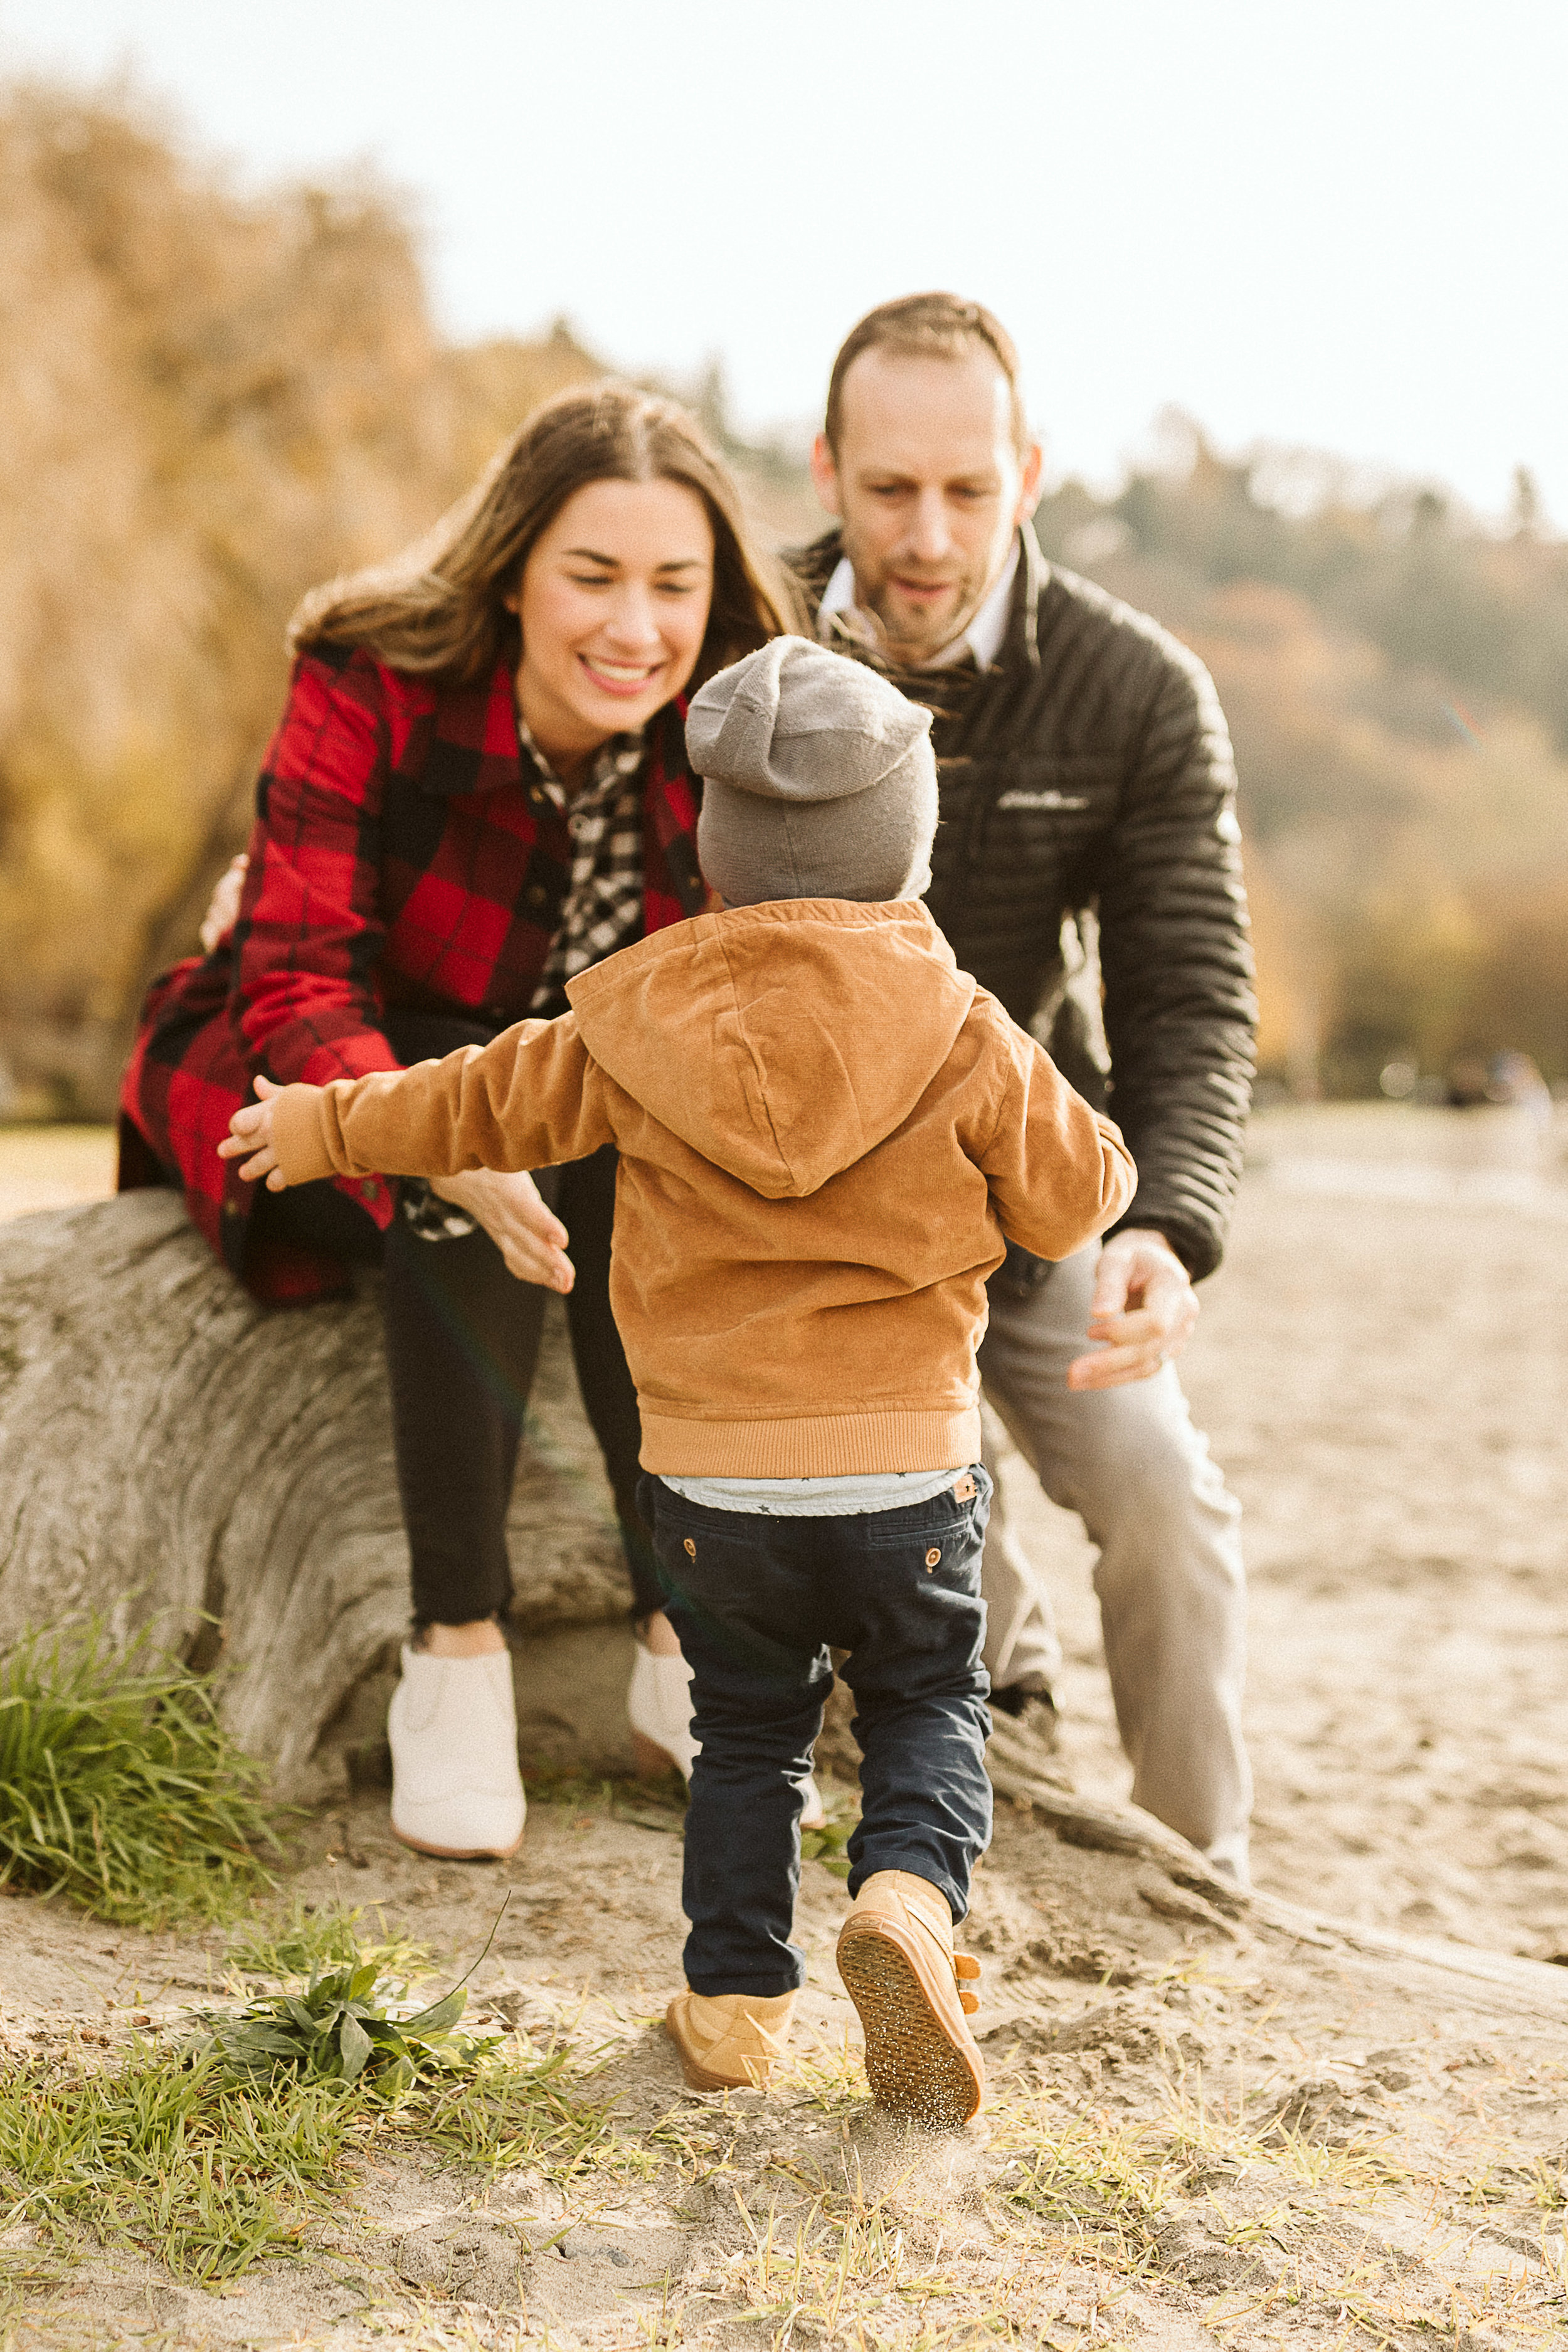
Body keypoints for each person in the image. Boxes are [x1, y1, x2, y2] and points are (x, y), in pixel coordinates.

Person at [221, 636, 1136, 2124]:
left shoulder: (636, 1016)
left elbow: (475, 1097)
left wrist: (329, 1126)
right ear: (903, 846)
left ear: (714, 853)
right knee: (923, 1703)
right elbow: (1072, 1200)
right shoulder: (961, 1025)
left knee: (749, 1733)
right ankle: (906, 1900)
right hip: (905, 1465)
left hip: (711, 1477)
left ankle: (729, 2000)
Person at [117, 382, 803, 1860]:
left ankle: (683, 1653)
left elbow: (753, 986)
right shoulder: (368, 675)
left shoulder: (739, 714)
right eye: (592, 577)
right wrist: (443, 1133)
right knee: (468, 1123)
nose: (634, 626)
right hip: (310, 1081)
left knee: (632, 1131)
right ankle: (456, 1654)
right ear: (511, 573)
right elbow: (294, 978)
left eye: (671, 586)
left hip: (579, 1103)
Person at [792, 294, 1258, 1883]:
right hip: (811, 1200)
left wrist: (1169, 1230)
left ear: (1029, 474)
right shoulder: (745, 637)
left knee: (1163, 1499)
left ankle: (1207, 1866)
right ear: (827, 470)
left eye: (967, 491)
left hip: (1039, 1181)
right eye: (887, 490)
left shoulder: (1135, 692)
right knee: (939, 1498)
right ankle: (998, 1731)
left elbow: (1189, 987)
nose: (927, 537)